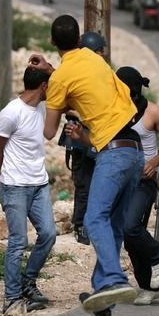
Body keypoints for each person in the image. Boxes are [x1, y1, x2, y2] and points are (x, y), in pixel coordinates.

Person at [28, 14, 144, 316]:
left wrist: (51, 95)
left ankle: (117, 280)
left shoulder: (62, 79)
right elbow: (79, 81)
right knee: (113, 225)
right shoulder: (94, 59)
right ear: (80, 38)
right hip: (135, 149)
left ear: (52, 42)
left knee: (94, 220)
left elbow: (50, 132)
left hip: (113, 153)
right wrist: (53, 74)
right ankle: (102, 295)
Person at [0, 67, 56, 315]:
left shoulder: (40, 108)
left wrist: (49, 68)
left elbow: (63, 83)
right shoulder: (11, 113)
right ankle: (12, 298)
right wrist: (6, 173)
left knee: (48, 234)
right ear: (43, 87)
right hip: (15, 186)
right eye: (50, 83)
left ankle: (28, 283)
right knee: (18, 242)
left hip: (39, 184)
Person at [115, 66, 159, 306]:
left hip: (144, 181)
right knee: (128, 234)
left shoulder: (153, 112)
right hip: (122, 180)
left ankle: (158, 256)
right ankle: (147, 285)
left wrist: (153, 163)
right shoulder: (115, 110)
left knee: (131, 226)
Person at [67, 31, 107, 245]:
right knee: (84, 184)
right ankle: (81, 224)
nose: (103, 54)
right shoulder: (81, 74)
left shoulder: (95, 73)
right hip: (83, 138)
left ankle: (92, 223)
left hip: (98, 136)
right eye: (100, 50)